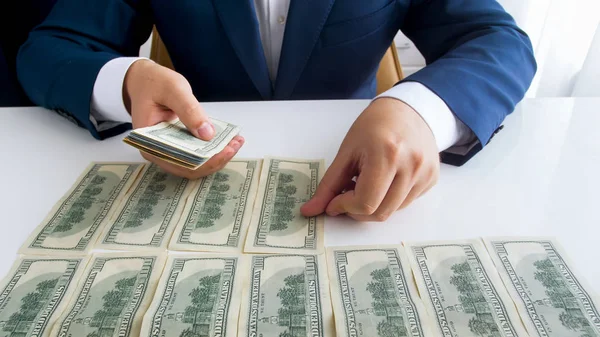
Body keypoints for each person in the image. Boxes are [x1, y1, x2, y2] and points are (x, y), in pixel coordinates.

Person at [16, 0, 536, 222]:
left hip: (360, 177)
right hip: (187, 183)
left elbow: (498, 39)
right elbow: (52, 48)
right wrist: (125, 83)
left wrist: (419, 110)